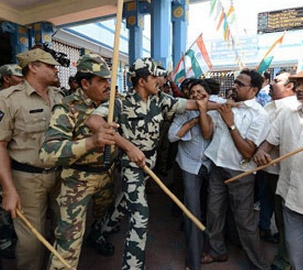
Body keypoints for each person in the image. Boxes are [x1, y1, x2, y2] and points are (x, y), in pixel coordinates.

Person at [87, 57, 215, 269]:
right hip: (131, 164)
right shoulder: (120, 102)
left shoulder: (160, 100)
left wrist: (221, 106)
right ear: (141, 81)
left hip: (150, 162)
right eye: (155, 76)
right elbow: (93, 121)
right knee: (140, 214)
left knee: (124, 202)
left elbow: (192, 104)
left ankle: (99, 231)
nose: (160, 80)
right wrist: (128, 146)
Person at [37, 55, 121, 269]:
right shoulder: (67, 108)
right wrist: (91, 142)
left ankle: (97, 238)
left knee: (102, 220)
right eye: (102, 81)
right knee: (68, 242)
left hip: (107, 176)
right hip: (77, 182)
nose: (108, 85)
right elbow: (48, 152)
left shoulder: (111, 104)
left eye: (108, 80)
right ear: (85, 83)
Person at [253, 64, 303, 269]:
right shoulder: (287, 113)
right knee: (298, 261)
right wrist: (261, 152)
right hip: (292, 202)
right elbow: (267, 144)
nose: (299, 89)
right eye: (298, 84)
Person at [0, 48, 64, 270]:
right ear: (33, 67)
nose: (55, 69)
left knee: (64, 232)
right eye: (50, 65)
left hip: (60, 175)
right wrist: (8, 189)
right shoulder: (5, 99)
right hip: (27, 179)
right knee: (32, 242)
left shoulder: (58, 97)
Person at [199, 68, 270, 269]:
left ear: (254, 90)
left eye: (240, 84)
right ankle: (217, 251)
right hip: (217, 166)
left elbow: (248, 152)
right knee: (214, 212)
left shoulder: (259, 115)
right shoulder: (224, 105)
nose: (235, 86)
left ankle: (258, 263)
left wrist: (231, 124)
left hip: (240, 172)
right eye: (235, 82)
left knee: (244, 221)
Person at [255, 68, 298, 270]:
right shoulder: (271, 105)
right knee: (271, 209)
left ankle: (285, 260)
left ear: (290, 86)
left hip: (284, 173)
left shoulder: (292, 108)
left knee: (285, 220)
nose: (271, 83)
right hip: (267, 171)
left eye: (277, 81)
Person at [167, 79, 213, 270]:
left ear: (208, 95)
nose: (195, 96)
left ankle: (212, 249)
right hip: (189, 167)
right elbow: (171, 136)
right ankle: (193, 261)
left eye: (200, 92)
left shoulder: (215, 110)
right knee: (192, 212)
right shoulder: (183, 112)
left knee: (213, 211)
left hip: (211, 166)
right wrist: (192, 120)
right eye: (192, 93)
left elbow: (207, 133)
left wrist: (203, 111)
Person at [0, 63, 23, 259]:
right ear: (7, 79)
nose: (23, 79)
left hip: (14, 160)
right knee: (0, 200)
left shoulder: (18, 99)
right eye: (18, 76)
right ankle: (5, 242)